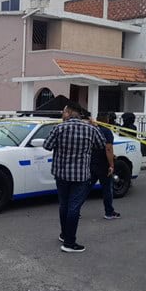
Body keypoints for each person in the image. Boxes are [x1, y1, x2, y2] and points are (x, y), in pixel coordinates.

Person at [43, 100, 106, 253]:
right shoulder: (90, 129)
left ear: (70, 112)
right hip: (80, 175)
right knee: (74, 207)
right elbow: (101, 144)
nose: (62, 114)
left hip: (61, 174)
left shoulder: (58, 128)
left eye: (64, 112)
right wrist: (95, 126)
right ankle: (70, 243)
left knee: (64, 205)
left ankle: (65, 236)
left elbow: (47, 146)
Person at [90, 112, 120, 220]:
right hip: (103, 165)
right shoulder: (107, 131)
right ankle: (109, 212)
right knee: (107, 189)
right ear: (106, 120)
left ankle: (74, 209)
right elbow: (108, 148)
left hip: (92, 162)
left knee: (85, 188)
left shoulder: (93, 130)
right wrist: (111, 165)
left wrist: (112, 156)